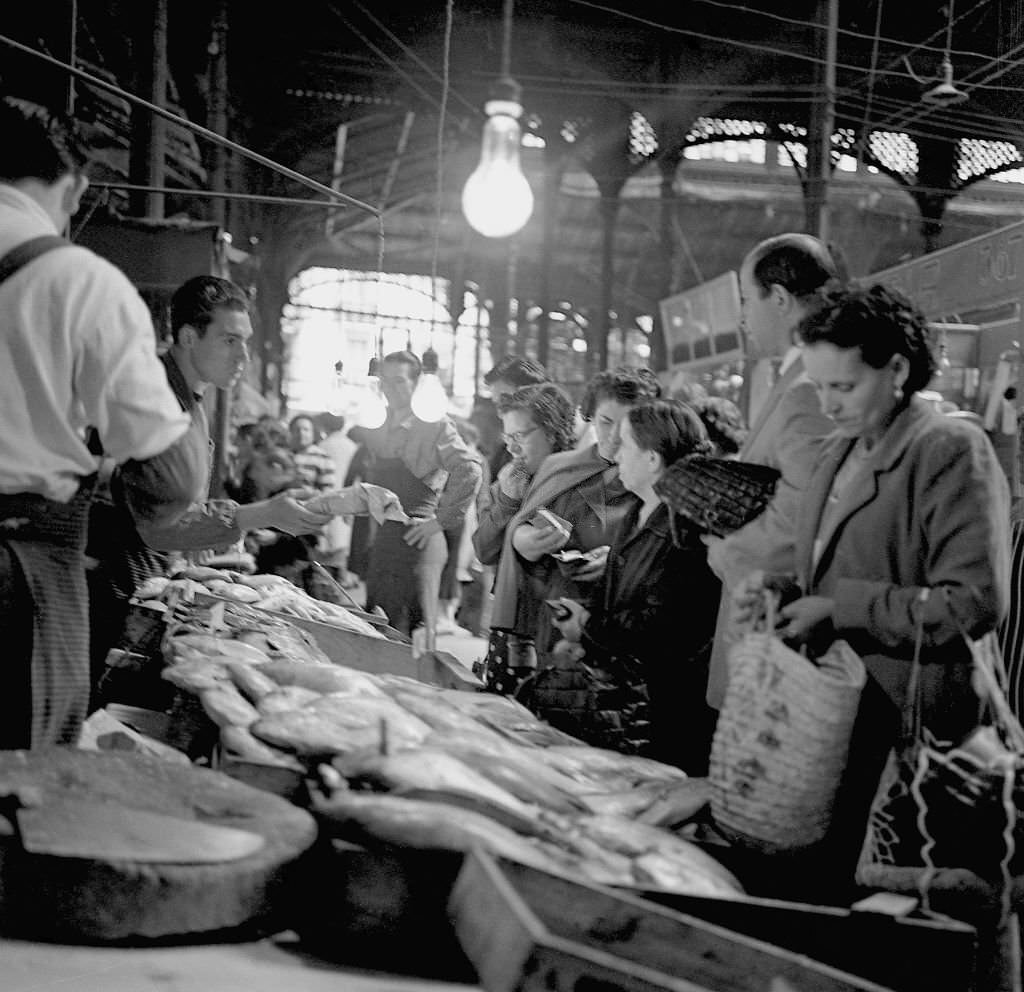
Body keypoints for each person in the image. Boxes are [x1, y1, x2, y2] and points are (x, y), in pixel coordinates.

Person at [732, 283, 1010, 899]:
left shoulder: (949, 450)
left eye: (844, 387)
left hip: (908, 738)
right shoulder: (839, 453)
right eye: (819, 387)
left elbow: (973, 603)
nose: (828, 405)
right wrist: (780, 592)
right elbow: (841, 566)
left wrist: (838, 610)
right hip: (837, 724)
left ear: (898, 370)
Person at [0, 98, 202, 748]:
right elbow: (169, 486)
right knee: (24, 788)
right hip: (23, 574)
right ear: (75, 185)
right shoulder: (81, 282)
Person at [536, 400, 722, 773]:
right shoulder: (637, 514)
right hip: (621, 709)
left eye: (625, 444)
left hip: (665, 716)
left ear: (652, 460)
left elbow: (664, 630)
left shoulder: (685, 532)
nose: (616, 454)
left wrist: (586, 628)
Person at [703, 233, 839, 709]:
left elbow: (804, 511)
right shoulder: (794, 381)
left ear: (779, 299)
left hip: (773, 629)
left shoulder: (806, 389)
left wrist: (728, 550)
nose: (743, 318)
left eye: (746, 300)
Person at [121, 276, 334, 554]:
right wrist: (266, 513)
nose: (243, 356)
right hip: (121, 585)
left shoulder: (192, 401)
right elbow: (159, 527)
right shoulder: (155, 400)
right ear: (188, 337)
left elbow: (183, 511)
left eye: (245, 341)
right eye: (229, 341)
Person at [487, 367, 662, 687]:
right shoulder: (560, 466)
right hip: (549, 618)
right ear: (591, 417)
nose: (614, 437)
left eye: (627, 426)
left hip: (613, 633)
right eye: (606, 422)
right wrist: (526, 540)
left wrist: (615, 563)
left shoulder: (651, 480)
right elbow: (516, 530)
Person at [360, 350, 483, 645]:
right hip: (386, 540)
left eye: (399, 381)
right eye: (385, 381)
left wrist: (440, 521)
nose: (390, 388)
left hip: (420, 542)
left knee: (411, 636)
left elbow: (470, 469)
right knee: (377, 628)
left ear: (417, 384)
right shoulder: (380, 423)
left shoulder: (434, 425)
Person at [472, 383, 578, 684]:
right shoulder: (512, 478)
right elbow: (484, 549)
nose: (512, 448)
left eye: (520, 436)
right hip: (510, 625)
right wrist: (506, 503)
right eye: (508, 437)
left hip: (554, 631)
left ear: (553, 431)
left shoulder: (581, 483)